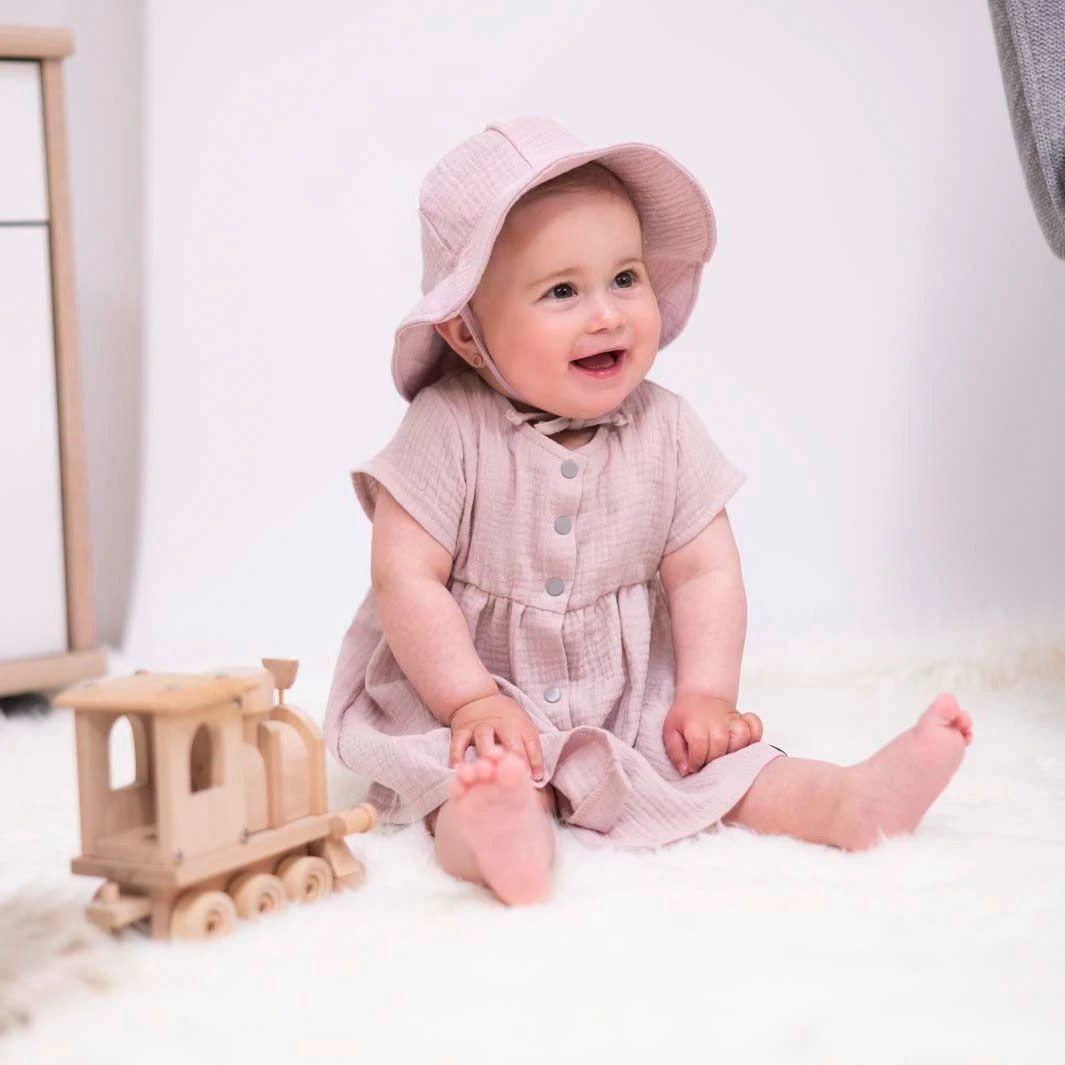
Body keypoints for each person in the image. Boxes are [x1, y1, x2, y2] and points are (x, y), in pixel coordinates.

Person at [323, 116, 973, 906]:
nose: (606, 314)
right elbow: (405, 578)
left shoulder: (665, 427)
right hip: (464, 690)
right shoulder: (446, 427)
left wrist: (704, 694)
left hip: (625, 697)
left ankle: (844, 801)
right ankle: (498, 833)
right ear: (464, 331)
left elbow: (703, 571)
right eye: (562, 291)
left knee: (718, 767)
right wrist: (469, 699)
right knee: (463, 775)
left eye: (624, 278)